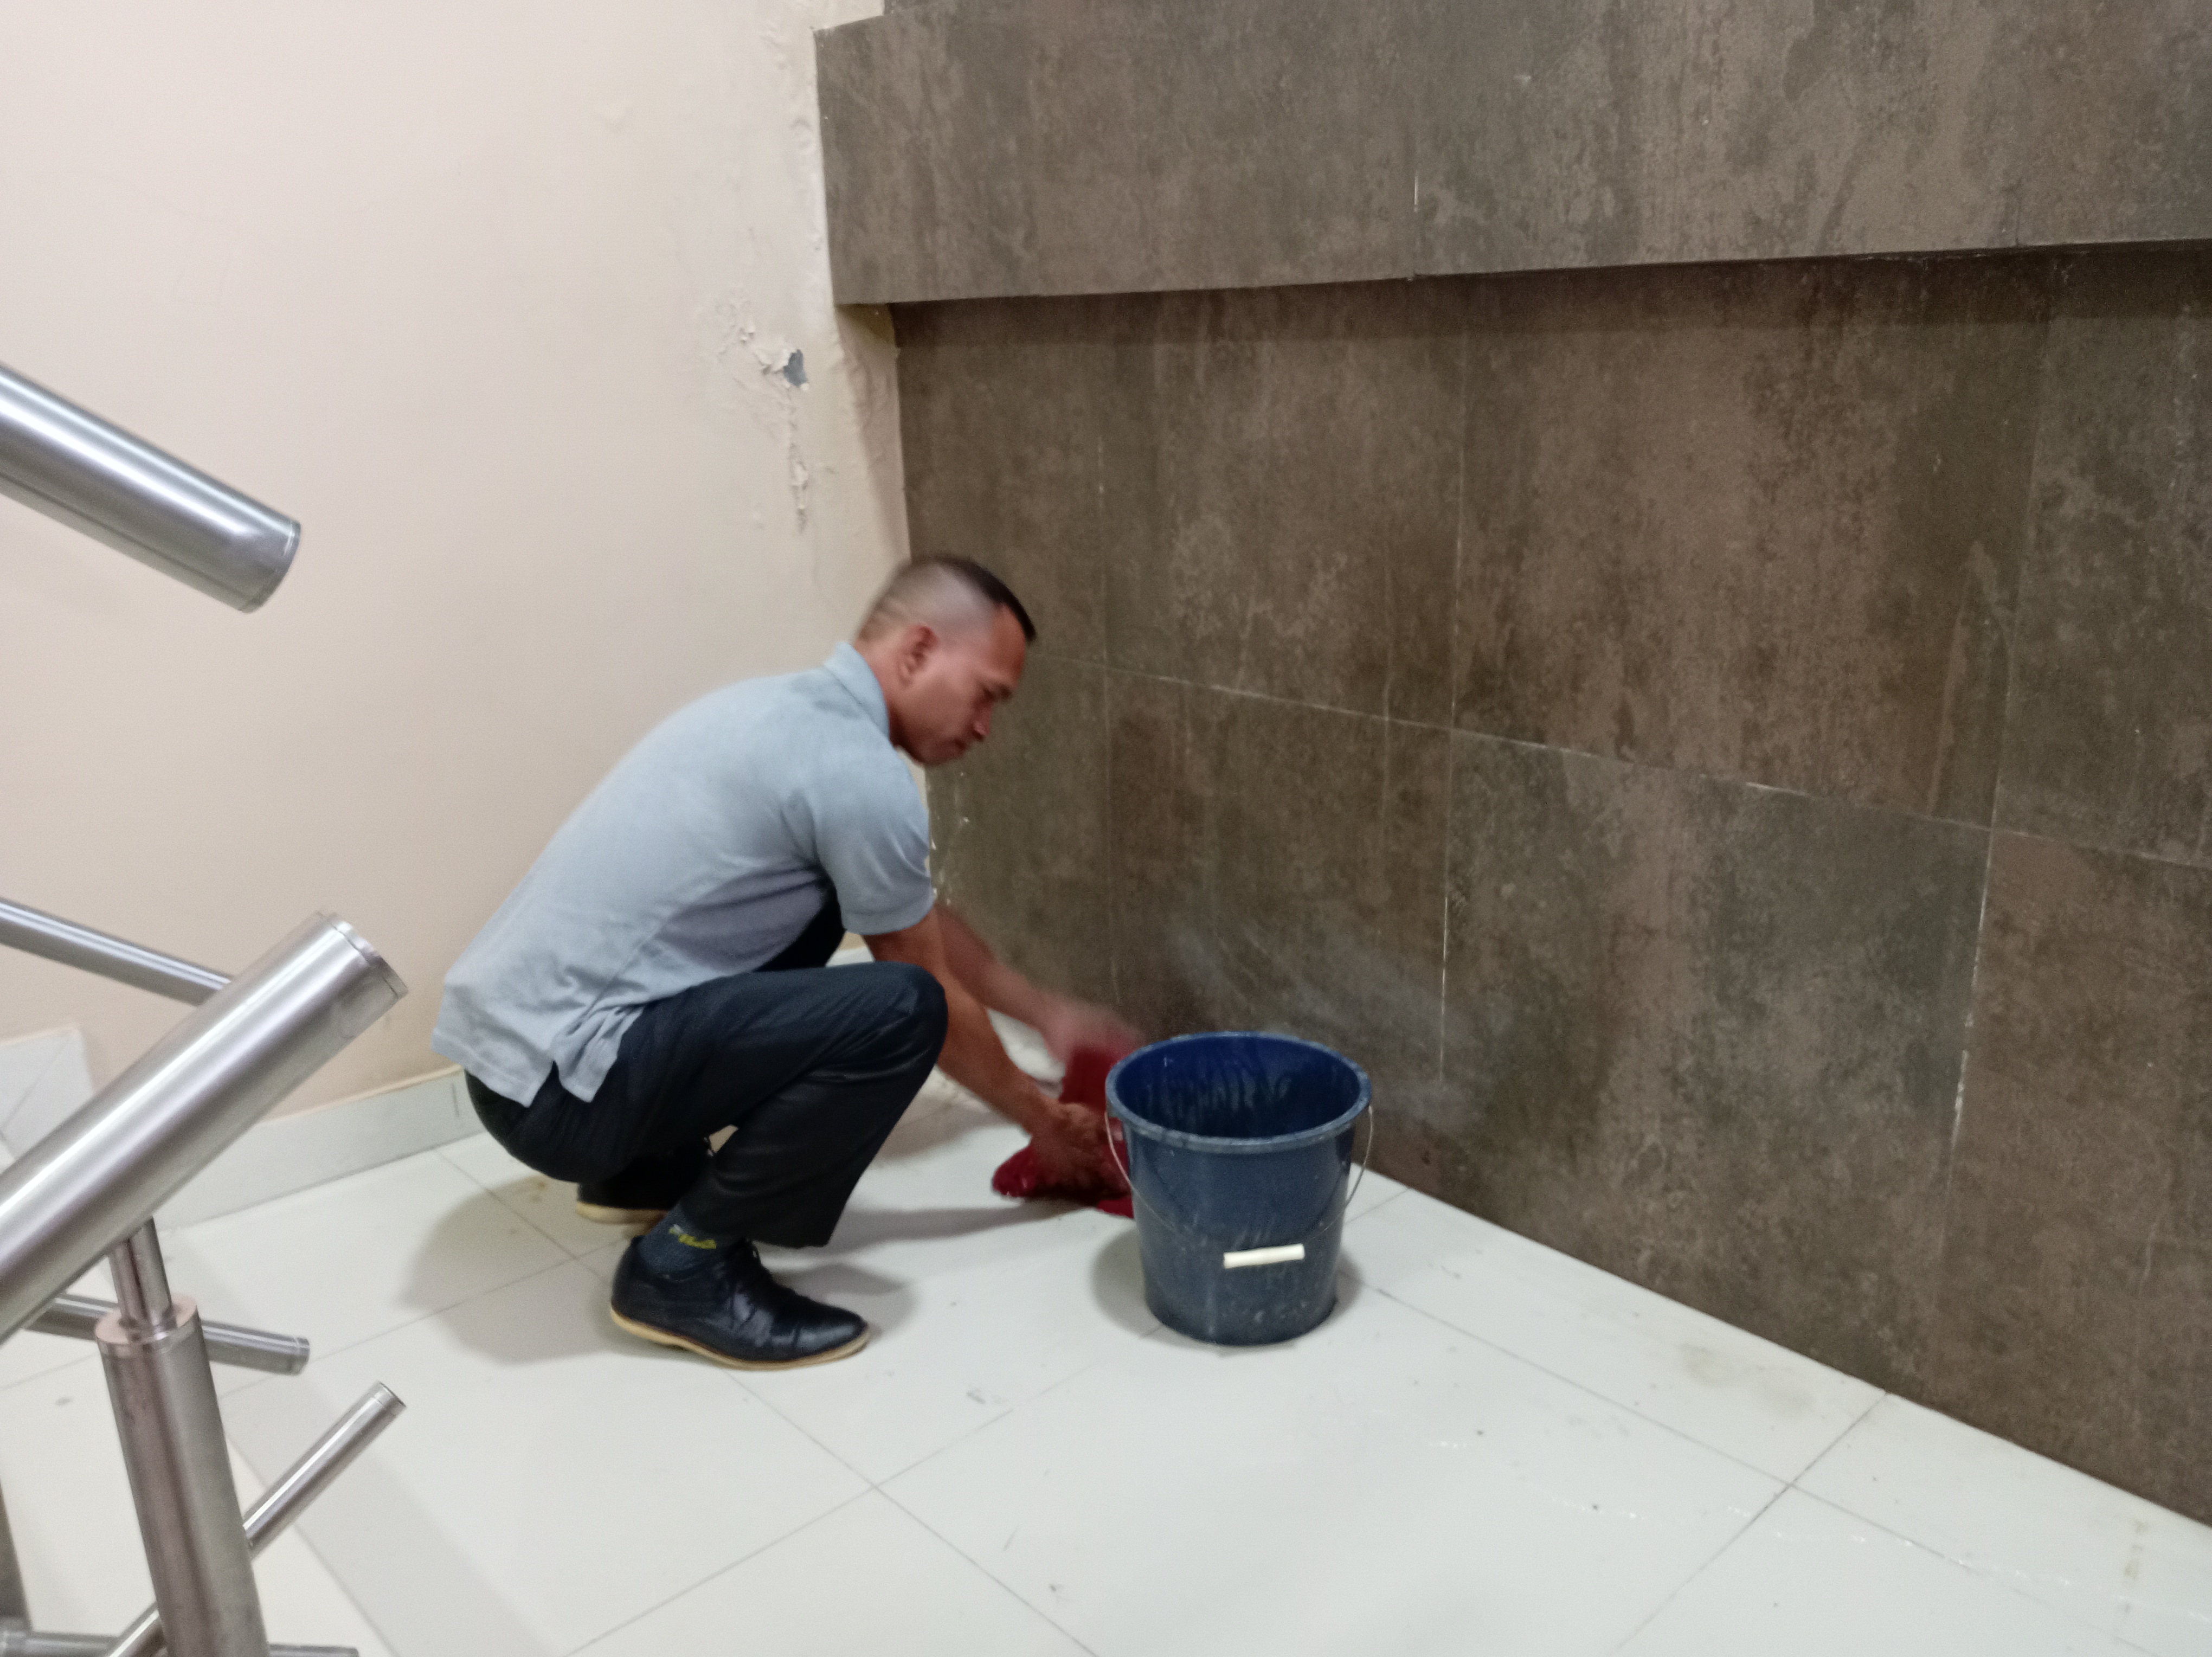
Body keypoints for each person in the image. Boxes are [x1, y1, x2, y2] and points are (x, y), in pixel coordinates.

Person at [431, 558, 1136, 1370]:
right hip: (560, 1099)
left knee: (846, 918)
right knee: (906, 1010)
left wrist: (1040, 1010)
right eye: (986, 695)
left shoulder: (773, 712)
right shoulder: (858, 772)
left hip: (517, 1069)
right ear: (917, 652)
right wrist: (1044, 1124)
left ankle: (643, 1170)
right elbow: (929, 990)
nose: (985, 727)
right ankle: (685, 1264)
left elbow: (908, 910)